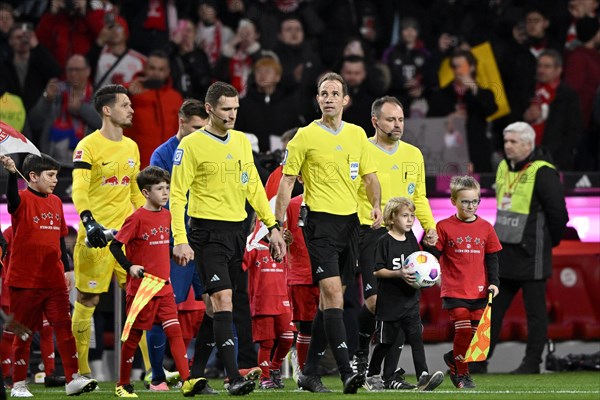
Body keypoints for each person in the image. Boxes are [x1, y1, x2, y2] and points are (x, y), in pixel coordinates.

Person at [169, 81, 286, 396]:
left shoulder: (240, 142)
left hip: (238, 233)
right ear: (209, 109)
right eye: (226, 109)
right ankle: (235, 376)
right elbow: (177, 195)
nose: (233, 114)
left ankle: (194, 378)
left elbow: (253, 188)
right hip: (206, 233)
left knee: (215, 308)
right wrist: (180, 238)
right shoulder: (190, 146)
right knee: (223, 301)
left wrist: (272, 226)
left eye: (235, 108)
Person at [274, 72, 382, 394]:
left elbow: (370, 176)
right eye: (324, 93)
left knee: (328, 300)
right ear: (318, 99)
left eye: (336, 93)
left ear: (345, 100)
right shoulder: (304, 137)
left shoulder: (357, 135)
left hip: (351, 223)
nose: (330, 98)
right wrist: (277, 226)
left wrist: (375, 205)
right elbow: (287, 182)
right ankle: (348, 369)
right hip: (319, 223)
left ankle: (308, 372)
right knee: (333, 294)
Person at [353, 96, 436, 388]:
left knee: (402, 303)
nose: (397, 124)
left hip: (406, 234)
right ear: (375, 121)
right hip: (371, 232)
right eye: (390, 119)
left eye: (400, 119)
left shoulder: (413, 154)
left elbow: (419, 197)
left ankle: (387, 375)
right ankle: (360, 357)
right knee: (375, 301)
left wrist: (430, 226)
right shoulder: (361, 148)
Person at [0, 153, 97, 397]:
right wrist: (12, 174)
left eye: (56, 175)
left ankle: (73, 378)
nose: (55, 180)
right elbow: (11, 201)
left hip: (53, 279)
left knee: (64, 327)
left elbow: (61, 239)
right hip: (25, 280)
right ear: (32, 176)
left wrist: (67, 269)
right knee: (24, 331)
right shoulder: (20, 198)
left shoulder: (55, 202)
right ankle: (19, 384)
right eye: (50, 175)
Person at [108, 166, 207, 397]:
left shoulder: (167, 214)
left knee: (174, 331)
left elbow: (160, 246)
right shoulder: (135, 218)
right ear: (145, 192)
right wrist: (129, 266)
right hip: (142, 288)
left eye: (167, 188)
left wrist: (173, 252)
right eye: (160, 188)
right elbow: (114, 245)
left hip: (164, 285)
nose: (165, 193)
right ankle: (123, 385)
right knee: (132, 337)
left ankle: (186, 381)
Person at [71, 84, 146, 379]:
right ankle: (82, 372)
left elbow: (135, 193)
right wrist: (89, 222)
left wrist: (147, 221)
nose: (131, 109)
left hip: (127, 237)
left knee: (142, 298)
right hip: (96, 237)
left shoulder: (132, 146)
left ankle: (153, 372)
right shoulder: (87, 145)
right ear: (107, 110)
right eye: (125, 104)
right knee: (88, 300)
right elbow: (78, 187)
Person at [483, 122, 568, 374]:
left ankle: (532, 363)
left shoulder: (543, 172)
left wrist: (547, 242)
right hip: (504, 252)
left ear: (528, 145)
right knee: (493, 310)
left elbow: (559, 215)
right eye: (505, 141)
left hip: (533, 252)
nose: (507, 146)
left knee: (535, 313)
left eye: (513, 142)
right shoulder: (501, 167)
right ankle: (478, 361)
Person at [147, 99, 215, 393]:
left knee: (217, 303)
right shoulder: (162, 155)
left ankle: (206, 372)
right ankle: (157, 376)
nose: (202, 132)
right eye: (197, 127)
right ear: (182, 122)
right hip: (176, 243)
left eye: (205, 127)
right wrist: (176, 240)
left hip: (206, 239)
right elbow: (160, 201)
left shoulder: (208, 148)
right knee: (164, 309)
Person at [423, 176, 501, 389]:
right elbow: (434, 254)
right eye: (465, 201)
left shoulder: (486, 227)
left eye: (475, 201)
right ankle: (461, 375)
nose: (470, 206)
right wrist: (427, 242)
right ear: (453, 201)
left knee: (474, 336)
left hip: (479, 291)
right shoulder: (444, 226)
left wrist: (494, 283)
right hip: (454, 289)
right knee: (464, 331)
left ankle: (453, 358)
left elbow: (492, 257)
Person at [364, 197, 444, 392]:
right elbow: (377, 271)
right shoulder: (384, 241)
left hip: (410, 302)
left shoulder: (411, 239)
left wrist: (427, 276)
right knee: (385, 343)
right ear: (391, 219)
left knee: (417, 339)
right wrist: (398, 273)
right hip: (389, 304)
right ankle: (372, 375)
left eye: (412, 216)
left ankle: (423, 376)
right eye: (405, 216)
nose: (410, 220)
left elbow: (419, 265)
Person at [427, 49, 498, 172]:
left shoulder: (484, 94)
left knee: (478, 189)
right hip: (449, 155)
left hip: (476, 153)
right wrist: (447, 119)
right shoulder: (440, 95)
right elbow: (430, 123)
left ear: (472, 67)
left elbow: (490, 109)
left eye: (462, 66)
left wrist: (474, 88)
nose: (458, 71)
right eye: (454, 67)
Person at [243, 220, 295, 390]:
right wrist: (252, 239)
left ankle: (273, 368)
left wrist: (290, 243)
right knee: (267, 343)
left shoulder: (284, 247)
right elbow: (241, 265)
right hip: (262, 302)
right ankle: (265, 378)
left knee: (287, 338)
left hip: (283, 301)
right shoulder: (254, 246)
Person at [29, 54, 101, 163]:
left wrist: (81, 109)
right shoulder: (56, 92)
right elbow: (34, 121)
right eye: (70, 70)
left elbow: (105, 123)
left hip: (86, 162)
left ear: (88, 71)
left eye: (78, 70)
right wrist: (46, 99)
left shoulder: (98, 94)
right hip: (54, 162)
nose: (73, 73)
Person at [127, 50, 184, 167]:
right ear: (145, 69)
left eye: (161, 69)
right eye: (152, 68)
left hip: (168, 165)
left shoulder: (176, 98)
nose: (156, 73)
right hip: (138, 164)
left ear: (168, 72)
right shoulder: (131, 93)